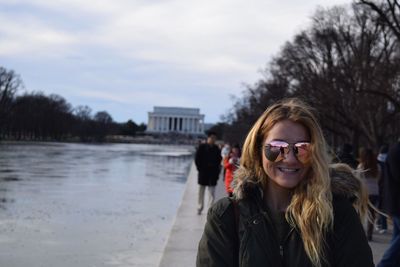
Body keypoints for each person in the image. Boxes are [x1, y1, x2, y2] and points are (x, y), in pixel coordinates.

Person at [197, 98, 373, 267]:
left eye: (302, 149)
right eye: (277, 148)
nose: (289, 159)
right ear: (258, 150)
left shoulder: (337, 214)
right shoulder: (226, 216)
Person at [377, 140, 400, 267]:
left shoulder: (393, 150)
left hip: (394, 201)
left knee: (396, 236)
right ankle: (385, 263)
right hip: (397, 201)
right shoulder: (396, 151)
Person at [195, 131, 222, 215]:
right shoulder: (202, 147)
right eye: (212, 138)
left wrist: (217, 172)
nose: (213, 140)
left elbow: (219, 160)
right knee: (201, 191)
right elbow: (197, 158)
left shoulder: (216, 148)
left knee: (211, 192)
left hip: (212, 173)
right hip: (203, 172)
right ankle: (200, 206)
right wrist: (200, 169)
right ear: (208, 138)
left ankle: (210, 209)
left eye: (215, 138)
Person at [357, 147, 380, 241]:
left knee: (360, 213)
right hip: (374, 191)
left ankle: (358, 232)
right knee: (372, 214)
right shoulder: (377, 166)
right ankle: (369, 234)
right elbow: (379, 178)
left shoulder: (361, 166)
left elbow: (358, 179)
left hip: (364, 192)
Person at [376, 144, 389, 234]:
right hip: (387, 187)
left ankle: (379, 222)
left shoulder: (377, 161)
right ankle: (382, 224)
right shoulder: (389, 160)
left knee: (379, 206)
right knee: (383, 207)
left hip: (378, 187)